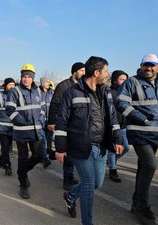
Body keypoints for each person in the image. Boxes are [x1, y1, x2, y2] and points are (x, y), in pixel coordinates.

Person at [55, 56, 123, 225]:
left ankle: (70, 196)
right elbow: (62, 121)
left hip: (101, 147)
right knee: (88, 184)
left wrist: (118, 138)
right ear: (96, 72)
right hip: (80, 146)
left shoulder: (105, 92)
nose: (108, 75)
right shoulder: (72, 92)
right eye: (106, 71)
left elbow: (112, 118)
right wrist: (60, 148)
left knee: (97, 183)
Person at [115, 54, 158, 225]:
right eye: (145, 65)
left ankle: (136, 203)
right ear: (140, 65)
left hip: (156, 134)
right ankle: (142, 206)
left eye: (152, 65)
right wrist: (141, 117)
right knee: (150, 166)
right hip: (139, 132)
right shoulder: (132, 82)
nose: (148, 68)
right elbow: (121, 103)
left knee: (143, 169)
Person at [5, 63, 46, 199]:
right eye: (24, 76)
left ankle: (22, 172)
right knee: (22, 158)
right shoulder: (14, 91)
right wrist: (23, 121)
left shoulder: (39, 91)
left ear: (33, 78)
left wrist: (41, 120)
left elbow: (43, 108)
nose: (26, 79)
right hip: (21, 132)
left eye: (28, 77)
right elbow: (10, 110)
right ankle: (23, 184)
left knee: (39, 155)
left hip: (36, 132)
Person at [48, 62, 85, 190]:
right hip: (65, 123)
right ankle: (67, 178)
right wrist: (52, 122)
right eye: (81, 70)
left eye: (84, 70)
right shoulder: (63, 86)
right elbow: (55, 104)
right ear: (74, 72)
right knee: (68, 152)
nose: (83, 73)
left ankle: (69, 173)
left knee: (73, 151)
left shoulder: (83, 86)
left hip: (78, 125)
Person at [107, 70, 130, 182]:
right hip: (113, 126)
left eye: (126, 79)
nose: (124, 81)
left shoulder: (127, 93)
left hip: (124, 126)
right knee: (113, 149)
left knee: (126, 147)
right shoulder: (109, 92)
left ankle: (111, 161)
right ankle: (113, 170)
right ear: (115, 80)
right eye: (121, 79)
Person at [0, 77, 16, 175]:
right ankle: (7, 165)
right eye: (10, 84)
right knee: (5, 146)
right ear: (5, 86)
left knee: (8, 145)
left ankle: (2, 159)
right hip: (2, 126)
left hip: (12, 127)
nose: (12, 87)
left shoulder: (17, 96)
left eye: (13, 85)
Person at [39, 76, 54, 169]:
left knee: (49, 139)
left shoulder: (52, 93)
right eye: (46, 82)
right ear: (42, 83)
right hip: (40, 121)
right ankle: (44, 159)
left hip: (50, 121)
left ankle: (46, 155)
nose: (48, 83)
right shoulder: (37, 93)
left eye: (49, 82)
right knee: (43, 140)